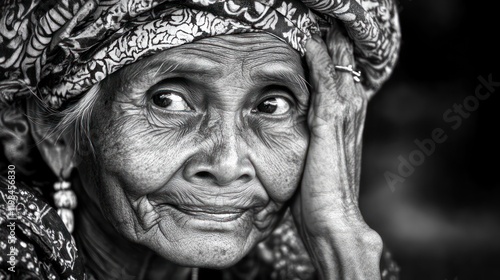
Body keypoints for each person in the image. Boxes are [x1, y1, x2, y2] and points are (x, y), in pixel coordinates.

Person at [0, 0, 401, 279]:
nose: (227, 166)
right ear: (56, 135)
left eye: (272, 105)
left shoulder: (286, 264)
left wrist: (342, 235)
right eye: (168, 101)